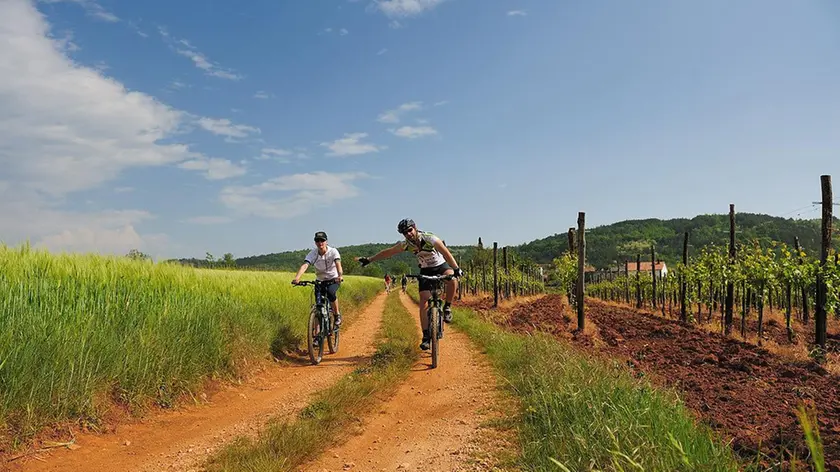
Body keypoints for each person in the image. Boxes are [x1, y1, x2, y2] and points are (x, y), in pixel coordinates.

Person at [356, 218, 463, 351]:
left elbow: (445, 252)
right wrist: (370, 260)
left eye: (409, 230)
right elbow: (388, 252)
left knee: (452, 280)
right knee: (424, 299)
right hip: (425, 269)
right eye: (405, 233)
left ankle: (447, 307)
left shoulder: (429, 238)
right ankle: (425, 337)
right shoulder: (406, 244)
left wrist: (456, 268)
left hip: (440, 266)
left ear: (415, 227)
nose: (408, 234)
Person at [292, 231, 344, 326]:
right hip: (320, 281)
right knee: (318, 307)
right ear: (315, 242)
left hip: (333, 279)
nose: (320, 243)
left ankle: (337, 315)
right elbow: (305, 265)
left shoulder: (333, 251)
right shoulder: (313, 254)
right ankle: (316, 336)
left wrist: (340, 276)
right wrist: (297, 278)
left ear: (326, 241)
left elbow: (338, 264)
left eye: (322, 240)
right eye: (317, 240)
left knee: (331, 293)